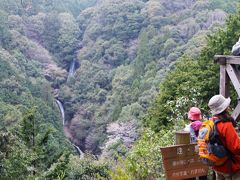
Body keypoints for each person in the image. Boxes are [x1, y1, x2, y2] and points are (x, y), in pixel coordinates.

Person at [208, 94, 240, 179]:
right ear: (225, 108)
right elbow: (236, 148)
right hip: (230, 168)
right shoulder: (226, 125)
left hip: (217, 165)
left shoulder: (210, 123)